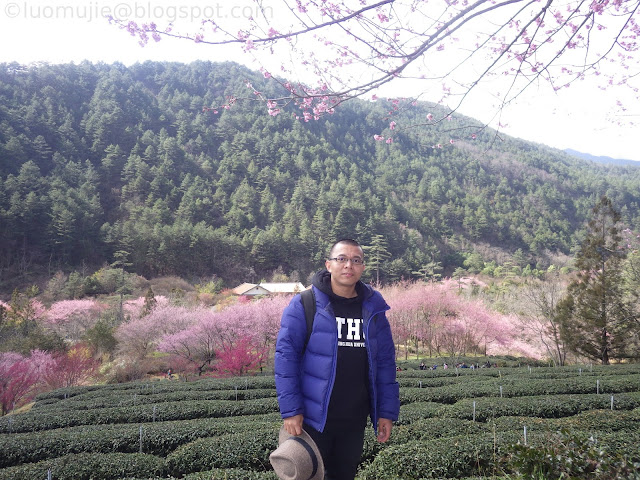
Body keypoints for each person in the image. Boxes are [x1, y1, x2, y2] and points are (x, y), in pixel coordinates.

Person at [274, 238, 400, 480]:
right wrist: (291, 410)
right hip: (312, 418)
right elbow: (285, 359)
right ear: (328, 264)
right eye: (341, 259)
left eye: (356, 260)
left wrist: (386, 412)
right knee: (310, 475)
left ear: (363, 267)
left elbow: (385, 363)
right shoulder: (305, 304)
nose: (348, 265)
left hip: (354, 419)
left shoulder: (374, 309)